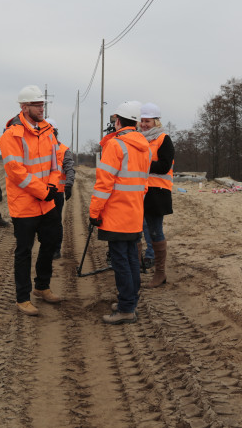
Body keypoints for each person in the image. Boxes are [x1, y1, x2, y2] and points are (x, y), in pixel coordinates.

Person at [0, 85, 62, 316]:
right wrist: (43, 191)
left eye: (42, 104)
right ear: (24, 107)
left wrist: (53, 185)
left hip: (46, 201)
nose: (41, 108)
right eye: (37, 104)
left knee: (51, 243)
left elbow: (56, 163)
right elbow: (16, 171)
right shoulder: (11, 135)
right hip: (25, 204)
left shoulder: (47, 131)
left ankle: (42, 287)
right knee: (24, 252)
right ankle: (22, 297)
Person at [89, 101, 151, 324]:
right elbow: (144, 184)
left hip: (116, 215)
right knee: (132, 259)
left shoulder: (116, 145)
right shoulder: (144, 146)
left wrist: (95, 212)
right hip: (134, 212)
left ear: (118, 121)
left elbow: (104, 184)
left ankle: (126, 308)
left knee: (121, 262)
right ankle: (130, 301)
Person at [139, 102, 174, 288]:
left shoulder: (163, 139)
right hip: (139, 190)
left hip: (157, 192)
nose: (144, 124)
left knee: (154, 231)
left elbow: (164, 166)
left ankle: (160, 273)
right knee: (136, 230)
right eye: (142, 120)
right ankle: (136, 267)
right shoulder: (137, 138)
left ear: (156, 122)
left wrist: (141, 164)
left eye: (148, 121)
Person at [45, 118, 75, 260]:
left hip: (57, 192)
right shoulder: (40, 150)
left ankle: (56, 249)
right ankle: (46, 248)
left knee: (55, 222)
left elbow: (69, 169)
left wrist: (68, 184)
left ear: (55, 132)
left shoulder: (64, 150)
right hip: (41, 192)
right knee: (43, 223)